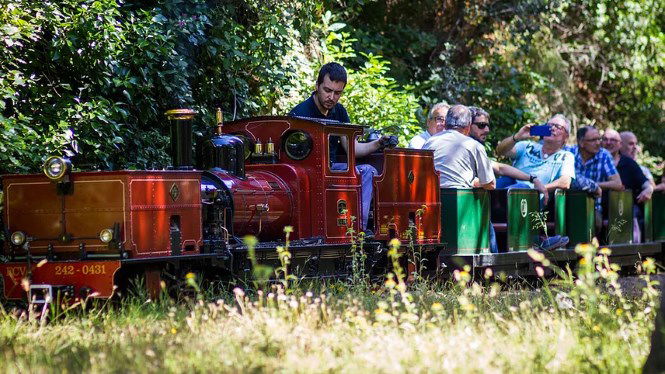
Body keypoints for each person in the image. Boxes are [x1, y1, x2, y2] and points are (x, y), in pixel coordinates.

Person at [289, 62, 385, 233]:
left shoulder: (339, 112)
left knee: (368, 171)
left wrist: (378, 143)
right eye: (327, 90)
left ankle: (358, 229)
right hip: (309, 172)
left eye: (337, 93)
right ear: (317, 86)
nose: (331, 97)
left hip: (333, 169)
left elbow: (352, 149)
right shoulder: (299, 114)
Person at [423, 104, 498, 252]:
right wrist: (476, 182)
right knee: (486, 219)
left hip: (431, 204)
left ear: (446, 124)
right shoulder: (473, 145)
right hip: (463, 208)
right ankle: (493, 261)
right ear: (468, 127)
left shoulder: (429, 142)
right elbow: (490, 184)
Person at [468, 106, 548, 204]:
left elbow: (499, 168)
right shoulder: (463, 145)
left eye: (488, 126)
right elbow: (500, 151)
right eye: (481, 125)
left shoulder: (474, 146)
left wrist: (532, 179)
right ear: (467, 126)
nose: (487, 130)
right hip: (467, 196)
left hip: (477, 192)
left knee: (509, 180)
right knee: (521, 188)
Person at [495, 114, 575, 192]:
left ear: (566, 137)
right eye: (550, 125)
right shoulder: (527, 145)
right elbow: (500, 151)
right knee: (498, 183)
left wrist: (540, 188)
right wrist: (517, 136)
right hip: (510, 183)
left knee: (520, 188)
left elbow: (565, 182)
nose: (552, 128)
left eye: (558, 127)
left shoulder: (566, 156)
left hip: (532, 195)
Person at [602, 129, 654, 242]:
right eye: (605, 139)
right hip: (600, 210)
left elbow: (645, 183)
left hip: (625, 212)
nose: (609, 143)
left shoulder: (629, 163)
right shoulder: (596, 161)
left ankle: (635, 251)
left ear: (620, 144)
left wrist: (648, 189)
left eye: (613, 140)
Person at [567, 126, 623, 197]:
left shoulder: (604, 155)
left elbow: (617, 183)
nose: (598, 143)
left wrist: (591, 185)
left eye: (599, 139)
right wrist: (590, 185)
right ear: (581, 142)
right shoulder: (569, 152)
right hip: (569, 202)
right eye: (593, 140)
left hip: (594, 205)